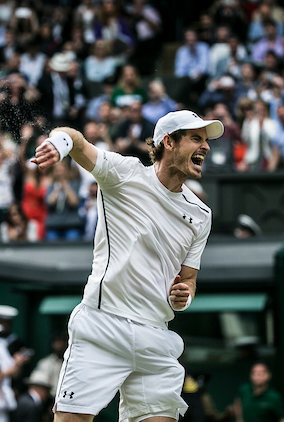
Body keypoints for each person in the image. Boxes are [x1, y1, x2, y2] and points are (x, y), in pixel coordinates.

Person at [31, 109, 222, 422]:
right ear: (168, 142)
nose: (206, 147)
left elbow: (188, 280)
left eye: (206, 141)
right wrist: (59, 144)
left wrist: (184, 294)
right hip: (102, 326)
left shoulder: (201, 215)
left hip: (156, 337)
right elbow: (77, 141)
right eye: (196, 138)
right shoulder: (125, 172)